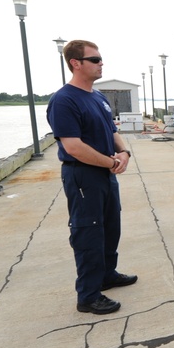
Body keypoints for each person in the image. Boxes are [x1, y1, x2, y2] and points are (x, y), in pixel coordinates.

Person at [46, 40, 137, 315]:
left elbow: (111, 130)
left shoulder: (97, 97)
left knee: (111, 226)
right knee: (88, 232)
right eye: (95, 59)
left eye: (100, 59)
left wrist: (123, 152)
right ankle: (88, 295)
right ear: (76, 63)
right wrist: (111, 161)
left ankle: (107, 275)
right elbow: (73, 146)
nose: (101, 63)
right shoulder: (64, 100)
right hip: (83, 175)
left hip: (105, 174)